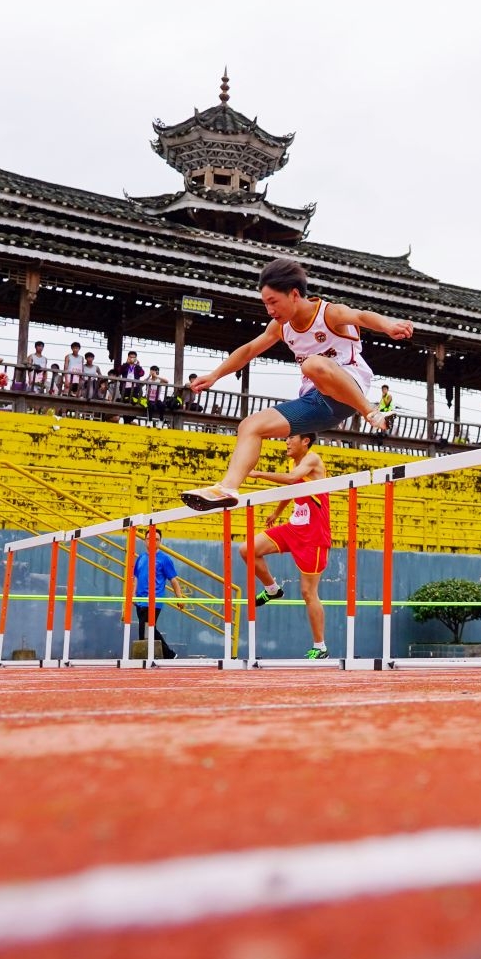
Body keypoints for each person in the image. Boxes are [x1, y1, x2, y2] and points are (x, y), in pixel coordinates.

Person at [182, 258, 412, 511]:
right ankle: (227, 488)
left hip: (348, 387)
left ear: (293, 295)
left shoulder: (328, 313)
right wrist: (215, 375)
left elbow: (361, 316)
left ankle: (371, 411)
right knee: (250, 425)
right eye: (265, 303)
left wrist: (389, 326)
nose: (270, 310)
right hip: (316, 403)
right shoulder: (280, 327)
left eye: (273, 302)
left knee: (312, 365)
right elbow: (248, 350)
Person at [234, 433, 335, 659]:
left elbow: (291, 479)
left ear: (305, 441)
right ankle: (272, 589)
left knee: (308, 593)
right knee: (247, 549)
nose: (286, 442)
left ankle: (320, 647)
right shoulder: (293, 462)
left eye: (291, 438)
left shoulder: (312, 459)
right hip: (293, 527)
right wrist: (277, 512)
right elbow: (293, 489)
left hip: (314, 536)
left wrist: (258, 473)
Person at [131, 535, 180, 660]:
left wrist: (179, 598)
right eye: (149, 539)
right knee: (150, 629)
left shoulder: (164, 559)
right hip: (140, 601)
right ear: (145, 541)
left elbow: (173, 580)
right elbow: (136, 577)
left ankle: (154, 656)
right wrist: (133, 594)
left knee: (146, 629)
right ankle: (169, 654)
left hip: (154, 600)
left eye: (156, 539)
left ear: (160, 542)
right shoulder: (141, 557)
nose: (152, 541)